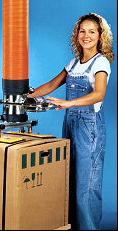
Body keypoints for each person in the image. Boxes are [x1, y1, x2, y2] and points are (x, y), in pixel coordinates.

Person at [28, 13, 114, 230]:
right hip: (71, 125)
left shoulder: (100, 62)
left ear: (100, 37)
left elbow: (99, 94)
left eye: (92, 31)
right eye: (82, 31)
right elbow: (50, 85)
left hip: (88, 127)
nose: (86, 36)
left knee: (86, 187)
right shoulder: (74, 63)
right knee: (70, 182)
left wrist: (68, 103)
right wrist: (24, 98)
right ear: (76, 36)